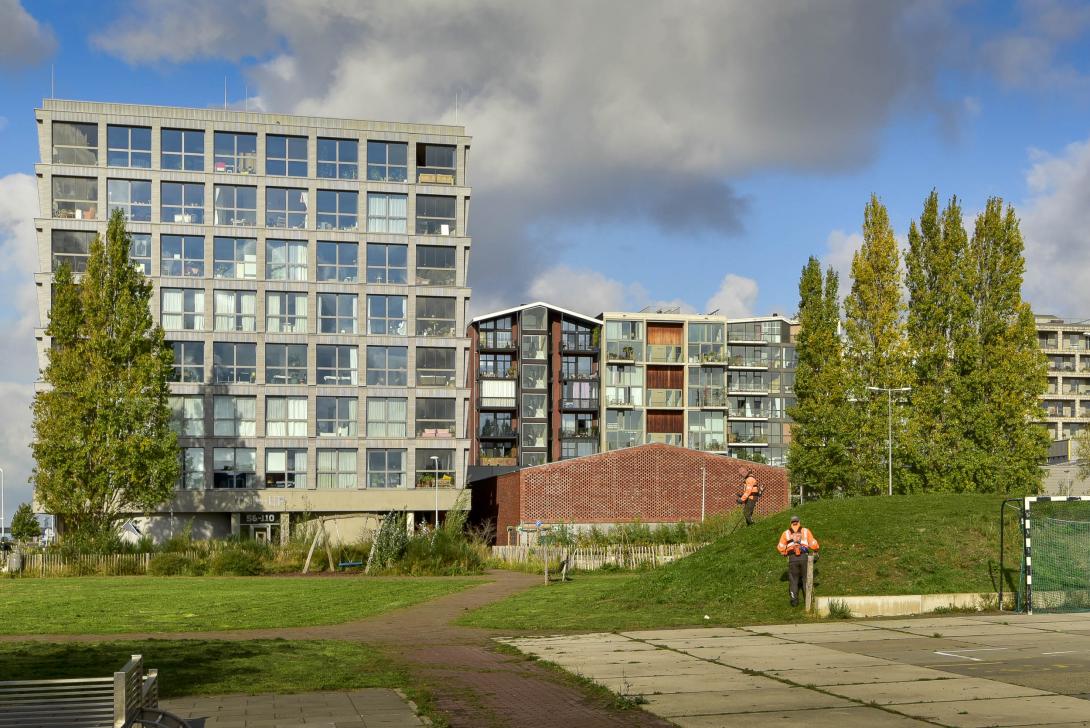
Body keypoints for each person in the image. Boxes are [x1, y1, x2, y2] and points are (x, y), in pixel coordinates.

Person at [777, 515, 819, 607]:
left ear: (791, 522)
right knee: (806, 579)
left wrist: (784, 552)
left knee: (793, 580)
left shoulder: (786, 533)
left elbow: (780, 547)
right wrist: (816, 550)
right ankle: (808, 600)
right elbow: (813, 543)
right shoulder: (805, 531)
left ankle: (794, 601)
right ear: (799, 522)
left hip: (792, 559)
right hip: (804, 557)